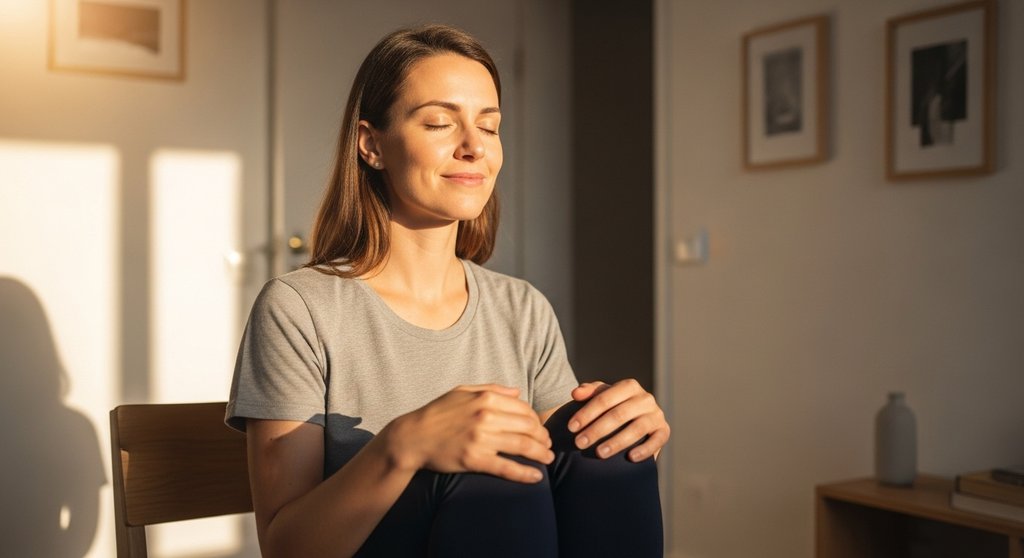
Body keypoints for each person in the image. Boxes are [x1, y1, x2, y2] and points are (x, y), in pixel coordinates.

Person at [227, 24, 669, 557]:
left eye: (490, 126)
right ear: (371, 145)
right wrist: (402, 446)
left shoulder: (522, 308)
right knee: (493, 472)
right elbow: (285, 548)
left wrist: (623, 429)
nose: (473, 148)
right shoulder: (299, 309)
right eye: (439, 122)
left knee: (607, 458)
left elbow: (575, 485)